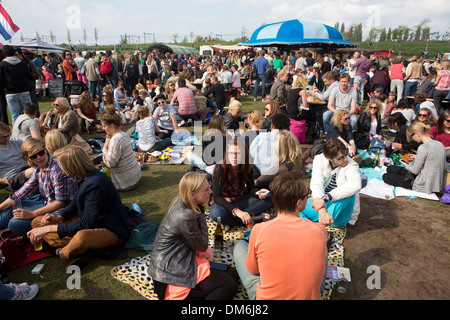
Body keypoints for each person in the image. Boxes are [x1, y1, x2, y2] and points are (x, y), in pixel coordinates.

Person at [27, 145, 133, 269]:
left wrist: (49, 229)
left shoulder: (95, 184)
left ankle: (61, 251)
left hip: (110, 229)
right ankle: (85, 248)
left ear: (70, 166)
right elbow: (76, 202)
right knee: (37, 222)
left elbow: (87, 224)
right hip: (92, 223)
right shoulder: (83, 177)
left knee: (81, 238)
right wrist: (59, 217)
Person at [233, 171, 327, 300]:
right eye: (307, 195)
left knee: (239, 245)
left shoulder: (259, 230)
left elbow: (253, 270)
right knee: (322, 250)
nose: (309, 198)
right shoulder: (320, 230)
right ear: (299, 203)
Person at [149, 172, 239, 300]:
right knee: (229, 285)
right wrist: (201, 210)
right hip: (171, 273)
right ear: (193, 195)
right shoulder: (186, 215)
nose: (211, 191)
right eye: (206, 189)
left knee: (232, 273)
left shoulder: (181, 199)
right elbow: (202, 245)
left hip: (178, 259)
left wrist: (200, 206)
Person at [0, 138, 76, 234]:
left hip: (61, 212)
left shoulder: (57, 170)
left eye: (41, 153)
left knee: (14, 223)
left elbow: (61, 203)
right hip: (47, 204)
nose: (39, 157)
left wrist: (31, 214)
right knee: (12, 204)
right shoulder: (38, 169)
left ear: (45, 150)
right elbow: (21, 193)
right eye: (34, 156)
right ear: (28, 159)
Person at [209, 137, 273, 227]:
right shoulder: (220, 168)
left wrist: (258, 194)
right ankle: (249, 218)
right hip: (224, 204)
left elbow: (251, 189)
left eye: (237, 153)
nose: (234, 157)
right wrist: (236, 210)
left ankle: (235, 221)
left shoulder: (247, 167)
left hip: (240, 198)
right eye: (231, 153)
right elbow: (217, 197)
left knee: (269, 198)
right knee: (216, 213)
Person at [300, 138, 362, 227]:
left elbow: (356, 185)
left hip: (337, 213)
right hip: (322, 205)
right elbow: (317, 184)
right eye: (340, 158)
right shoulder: (319, 159)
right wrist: (322, 210)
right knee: (295, 204)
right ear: (328, 158)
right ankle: (311, 226)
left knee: (347, 189)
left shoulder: (351, 164)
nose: (345, 159)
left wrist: (326, 198)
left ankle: (321, 222)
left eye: (345, 155)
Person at [382, 122, 446, 194]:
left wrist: (406, 165)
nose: (412, 139)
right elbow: (432, 159)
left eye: (411, 136)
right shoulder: (439, 144)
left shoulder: (423, 147)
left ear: (417, 134)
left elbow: (415, 171)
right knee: (390, 168)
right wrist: (417, 157)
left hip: (422, 184)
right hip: (434, 182)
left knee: (386, 176)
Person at [101, 107, 142, 191]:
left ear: (111, 125)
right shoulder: (125, 135)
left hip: (124, 183)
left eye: (104, 126)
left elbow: (109, 164)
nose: (103, 128)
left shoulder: (115, 140)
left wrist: (105, 148)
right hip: (135, 178)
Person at [250, 113, 291, 177]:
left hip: (260, 174)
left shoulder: (261, 137)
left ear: (272, 125)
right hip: (280, 176)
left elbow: (252, 153)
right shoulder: (290, 140)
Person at [0, 45, 33, 124]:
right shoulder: (23, 64)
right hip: (24, 91)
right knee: (29, 114)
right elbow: (29, 76)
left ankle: (16, 133)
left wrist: (4, 88)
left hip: (10, 92)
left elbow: (1, 80)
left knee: (15, 115)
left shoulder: (2, 65)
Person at [0, 123, 34, 192]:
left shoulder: (15, 142)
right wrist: (5, 181)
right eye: (3, 137)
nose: (7, 138)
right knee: (33, 171)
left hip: (24, 169)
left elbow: (31, 148)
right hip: (11, 176)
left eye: (8, 135)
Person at [286, 73, 313, 144]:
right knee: (313, 117)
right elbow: (305, 106)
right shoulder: (302, 91)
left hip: (290, 114)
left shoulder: (291, 90)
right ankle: (310, 136)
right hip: (297, 114)